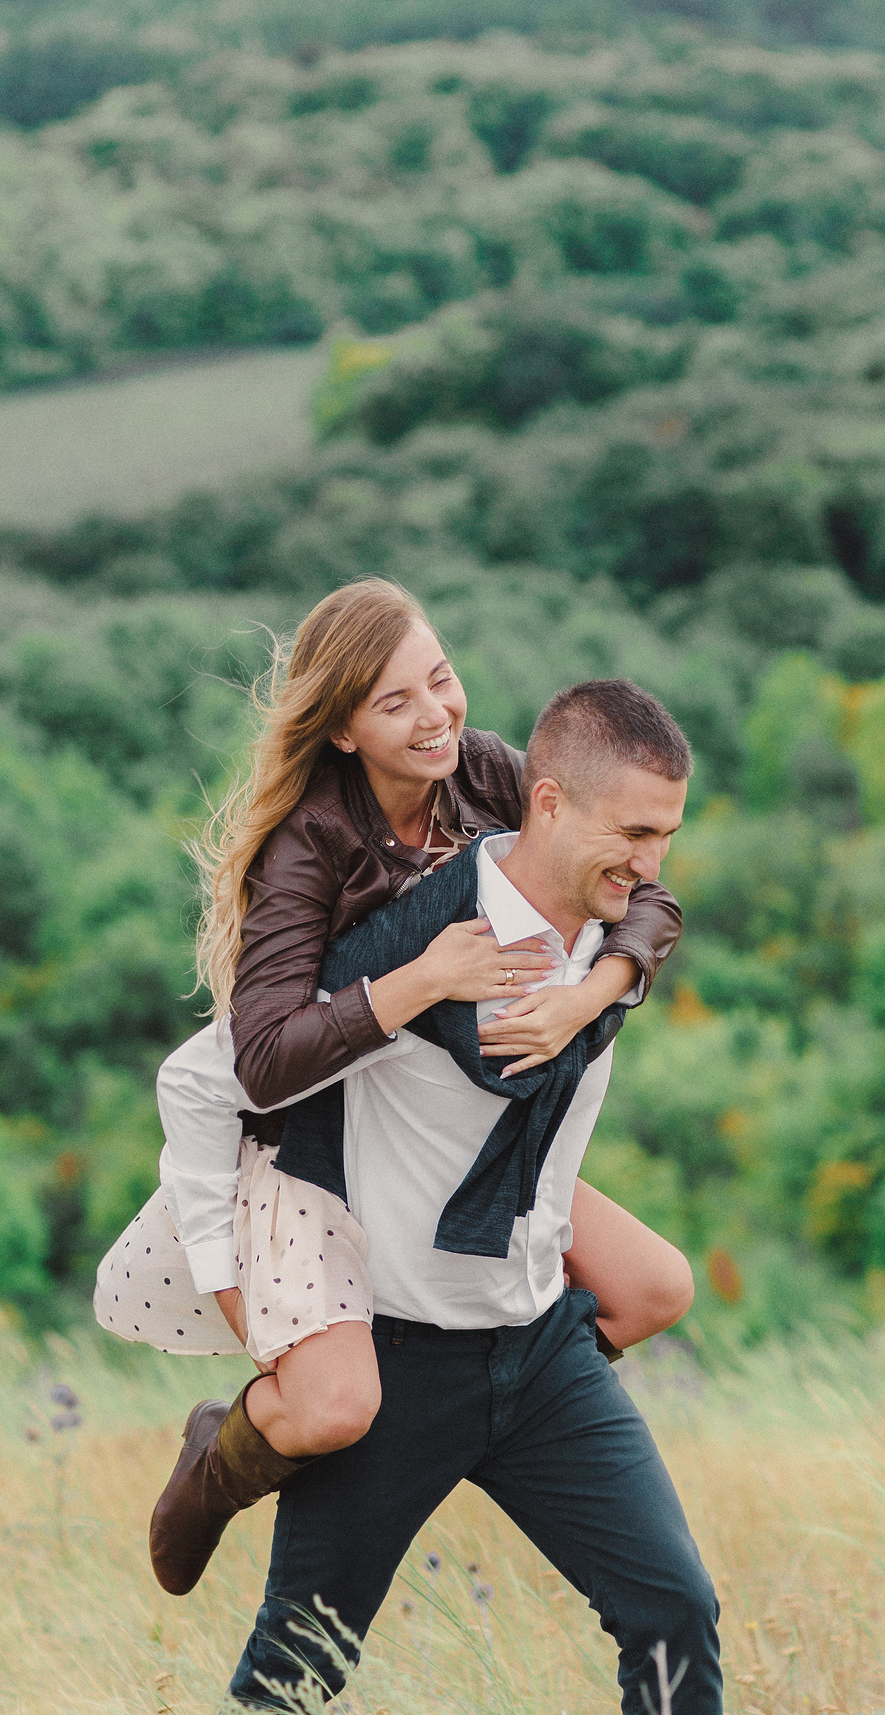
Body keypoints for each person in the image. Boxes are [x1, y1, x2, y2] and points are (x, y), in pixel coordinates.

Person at [151, 678, 728, 1715]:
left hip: (539, 1351)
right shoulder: (411, 944)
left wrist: (608, 973)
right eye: (633, 835)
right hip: (399, 1358)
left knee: (673, 1610)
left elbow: (639, 930)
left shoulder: (618, 921)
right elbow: (229, 1067)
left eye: (668, 837)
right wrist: (230, 1266)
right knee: (302, 1661)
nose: (653, 863)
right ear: (552, 802)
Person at [94, 578, 691, 1592]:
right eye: (395, 703)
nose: (437, 716)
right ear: (340, 732)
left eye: (442, 679)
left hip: (439, 1141)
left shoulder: (492, 772)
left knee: (651, 1291)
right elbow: (262, 1059)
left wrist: (594, 991)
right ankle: (224, 1452)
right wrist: (425, 980)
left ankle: (486, 1416)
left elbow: (639, 884)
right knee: (332, 1410)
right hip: (315, 1143)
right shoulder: (308, 848)